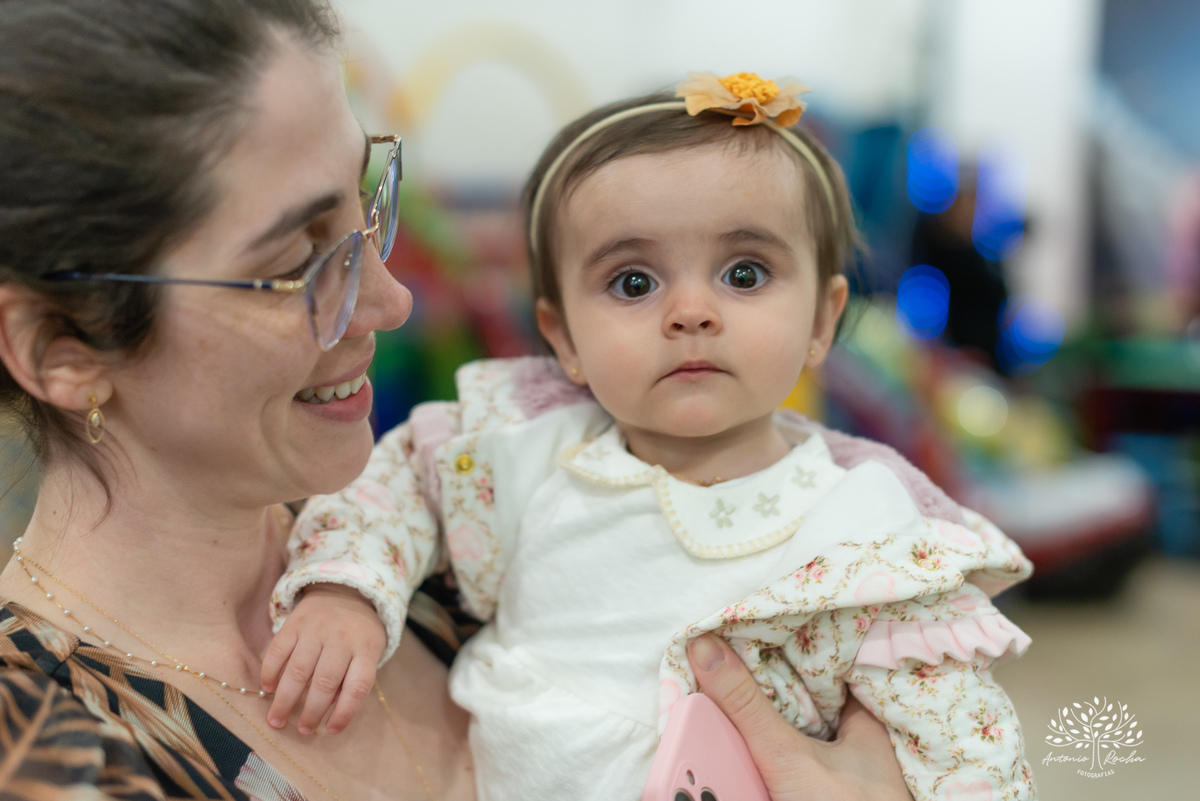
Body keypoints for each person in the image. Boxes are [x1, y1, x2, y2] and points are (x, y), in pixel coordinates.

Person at [0, 2, 916, 799]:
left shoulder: (463, 536)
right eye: (295, 266)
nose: (391, 301)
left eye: (367, 207)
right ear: (61, 348)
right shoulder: (43, 748)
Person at [268, 74, 1039, 800]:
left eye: (744, 273)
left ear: (823, 319)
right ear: (562, 335)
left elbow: (959, 742)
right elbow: (388, 486)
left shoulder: (864, 532)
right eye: (634, 282)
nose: (691, 311)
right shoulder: (519, 448)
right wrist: (345, 589)